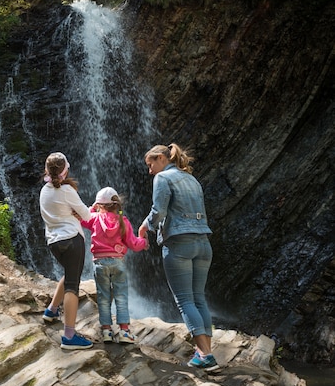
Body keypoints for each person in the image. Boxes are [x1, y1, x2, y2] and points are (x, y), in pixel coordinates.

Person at [137, 143, 219, 371]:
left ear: (161, 158)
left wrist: (145, 227)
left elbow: (159, 210)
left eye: (150, 164)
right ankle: (204, 353)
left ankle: (205, 354)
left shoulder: (162, 179)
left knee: (185, 300)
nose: (149, 170)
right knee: (198, 298)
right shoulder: (192, 179)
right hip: (203, 242)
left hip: (179, 243)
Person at [39, 152, 94, 350]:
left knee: (69, 274)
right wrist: (85, 210)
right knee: (73, 285)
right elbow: (87, 215)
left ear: (47, 170)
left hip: (54, 242)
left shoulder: (44, 190)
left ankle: (52, 310)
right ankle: (69, 336)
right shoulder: (66, 190)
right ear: (65, 170)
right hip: (71, 240)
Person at [80, 187, 148, 344]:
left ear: (99, 205)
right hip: (118, 263)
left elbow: (81, 219)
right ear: (116, 204)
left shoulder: (94, 218)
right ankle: (124, 331)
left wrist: (92, 207)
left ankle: (106, 331)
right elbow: (134, 244)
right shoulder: (123, 221)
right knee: (121, 297)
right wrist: (144, 241)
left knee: (103, 298)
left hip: (99, 263)